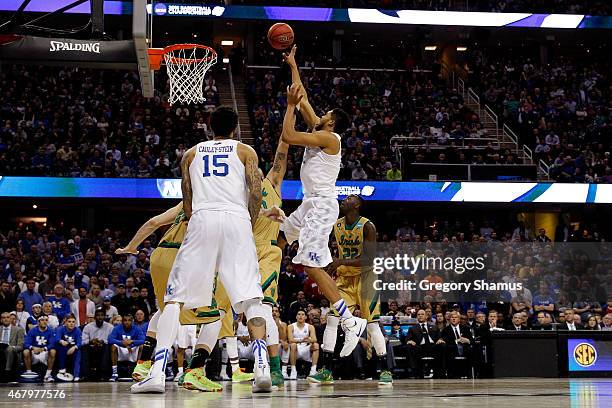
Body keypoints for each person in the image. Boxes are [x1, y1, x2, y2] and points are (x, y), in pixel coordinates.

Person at [129, 106, 284, 394]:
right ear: (236, 128)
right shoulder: (246, 152)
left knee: (173, 299)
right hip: (237, 220)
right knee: (251, 299)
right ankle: (262, 367)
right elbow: (254, 192)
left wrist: (199, 219)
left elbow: (187, 201)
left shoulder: (190, 154)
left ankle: (157, 372)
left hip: (201, 219)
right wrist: (246, 223)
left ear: (208, 126)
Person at [281, 45, 366, 362]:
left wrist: (289, 107)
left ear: (331, 124)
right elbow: (302, 98)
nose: (322, 114)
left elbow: (289, 135)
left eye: (326, 115)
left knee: (310, 264)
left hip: (321, 206)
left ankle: (348, 319)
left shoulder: (330, 138)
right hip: (309, 204)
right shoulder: (322, 128)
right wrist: (292, 63)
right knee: (279, 236)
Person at [116, 201, 254, 393]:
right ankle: (195, 371)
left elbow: (153, 223)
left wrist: (131, 247)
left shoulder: (187, 201)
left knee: (168, 308)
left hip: (161, 256)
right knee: (216, 313)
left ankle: (144, 361)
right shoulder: (222, 204)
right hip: (188, 255)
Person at [319, 194, 392, 385]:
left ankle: (385, 370)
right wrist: (331, 265)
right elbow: (338, 253)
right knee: (332, 320)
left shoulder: (368, 226)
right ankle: (326, 370)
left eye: (349, 198)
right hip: (345, 278)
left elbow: (368, 259)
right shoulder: (337, 225)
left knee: (372, 324)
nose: (343, 200)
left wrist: (339, 262)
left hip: (366, 277)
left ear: (357, 205)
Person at [406, 309, 445, 378]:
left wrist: (440, 340)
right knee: (409, 346)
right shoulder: (412, 328)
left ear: (426, 316)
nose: (420, 316)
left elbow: (440, 337)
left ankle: (440, 372)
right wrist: (410, 341)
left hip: (433, 347)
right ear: (416, 317)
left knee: (442, 345)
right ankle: (416, 372)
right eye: (418, 314)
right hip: (419, 348)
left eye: (422, 314)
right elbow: (408, 339)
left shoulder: (434, 327)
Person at [108, 314, 144, 381]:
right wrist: (122, 343)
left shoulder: (137, 329)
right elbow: (110, 339)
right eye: (125, 320)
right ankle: (114, 373)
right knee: (113, 347)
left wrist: (132, 342)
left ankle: (138, 371)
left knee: (142, 346)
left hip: (132, 349)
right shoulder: (117, 328)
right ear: (122, 321)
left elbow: (143, 340)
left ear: (132, 321)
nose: (127, 322)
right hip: (122, 349)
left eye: (129, 320)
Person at [22, 315, 56, 382]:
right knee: (25, 352)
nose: (44, 322)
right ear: (38, 322)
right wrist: (33, 347)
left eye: (46, 320)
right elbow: (26, 343)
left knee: (53, 351)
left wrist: (43, 349)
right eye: (42, 320)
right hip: (34, 352)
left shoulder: (51, 331)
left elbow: (53, 344)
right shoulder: (32, 331)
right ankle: (29, 372)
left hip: (45, 352)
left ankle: (48, 375)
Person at [81, 309, 113, 380]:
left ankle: (103, 375)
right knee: (84, 348)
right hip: (91, 347)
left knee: (107, 347)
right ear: (95, 317)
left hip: (104, 347)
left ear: (105, 317)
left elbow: (112, 340)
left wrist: (103, 341)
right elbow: (83, 341)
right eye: (98, 315)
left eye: (102, 315)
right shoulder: (88, 327)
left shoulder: (110, 327)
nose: (100, 317)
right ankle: (86, 375)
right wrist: (91, 341)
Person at [287, 310, 319, 380]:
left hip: (306, 348)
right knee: (293, 345)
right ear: (296, 317)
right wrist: (302, 340)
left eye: (302, 314)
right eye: (299, 314)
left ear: (305, 317)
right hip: (295, 350)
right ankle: (293, 370)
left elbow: (315, 339)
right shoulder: (291, 326)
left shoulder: (310, 327)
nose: (300, 316)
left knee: (316, 345)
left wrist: (309, 340)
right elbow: (290, 340)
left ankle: (313, 371)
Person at [55, 315, 82, 382]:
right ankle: (62, 369)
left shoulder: (77, 330)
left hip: (73, 348)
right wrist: (61, 341)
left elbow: (80, 342)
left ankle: (76, 375)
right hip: (63, 347)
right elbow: (57, 338)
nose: (71, 323)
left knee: (78, 352)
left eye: (73, 322)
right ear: (66, 322)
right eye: (69, 322)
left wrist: (74, 347)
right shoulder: (60, 329)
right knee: (60, 347)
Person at [0, 311, 25, 382]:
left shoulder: (19, 330)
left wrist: (12, 347)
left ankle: (7, 372)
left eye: (8, 317)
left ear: (11, 319)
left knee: (9, 348)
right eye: (3, 318)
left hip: (12, 351)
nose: (6, 319)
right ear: (1, 320)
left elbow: (21, 346)